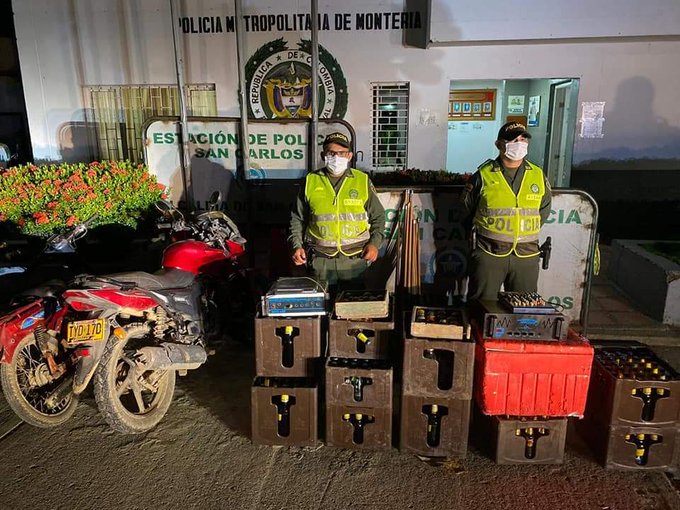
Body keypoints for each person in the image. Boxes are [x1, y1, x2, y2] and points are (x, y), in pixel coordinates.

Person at [462, 121, 552, 301]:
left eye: (523, 139)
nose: (519, 143)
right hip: (489, 253)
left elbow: (543, 209)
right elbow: (466, 211)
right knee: (482, 307)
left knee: (523, 310)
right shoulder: (483, 175)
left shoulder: (538, 175)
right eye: (513, 139)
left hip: (526, 256)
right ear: (499, 145)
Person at [289, 132, 385, 289]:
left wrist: (374, 244)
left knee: (352, 308)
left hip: (355, 262)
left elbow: (379, 217)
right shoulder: (310, 181)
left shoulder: (362, 181)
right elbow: (297, 219)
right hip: (320, 262)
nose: (336, 157)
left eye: (341, 153)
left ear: (349, 155)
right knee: (320, 308)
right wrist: (296, 245)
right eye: (331, 153)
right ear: (323, 155)